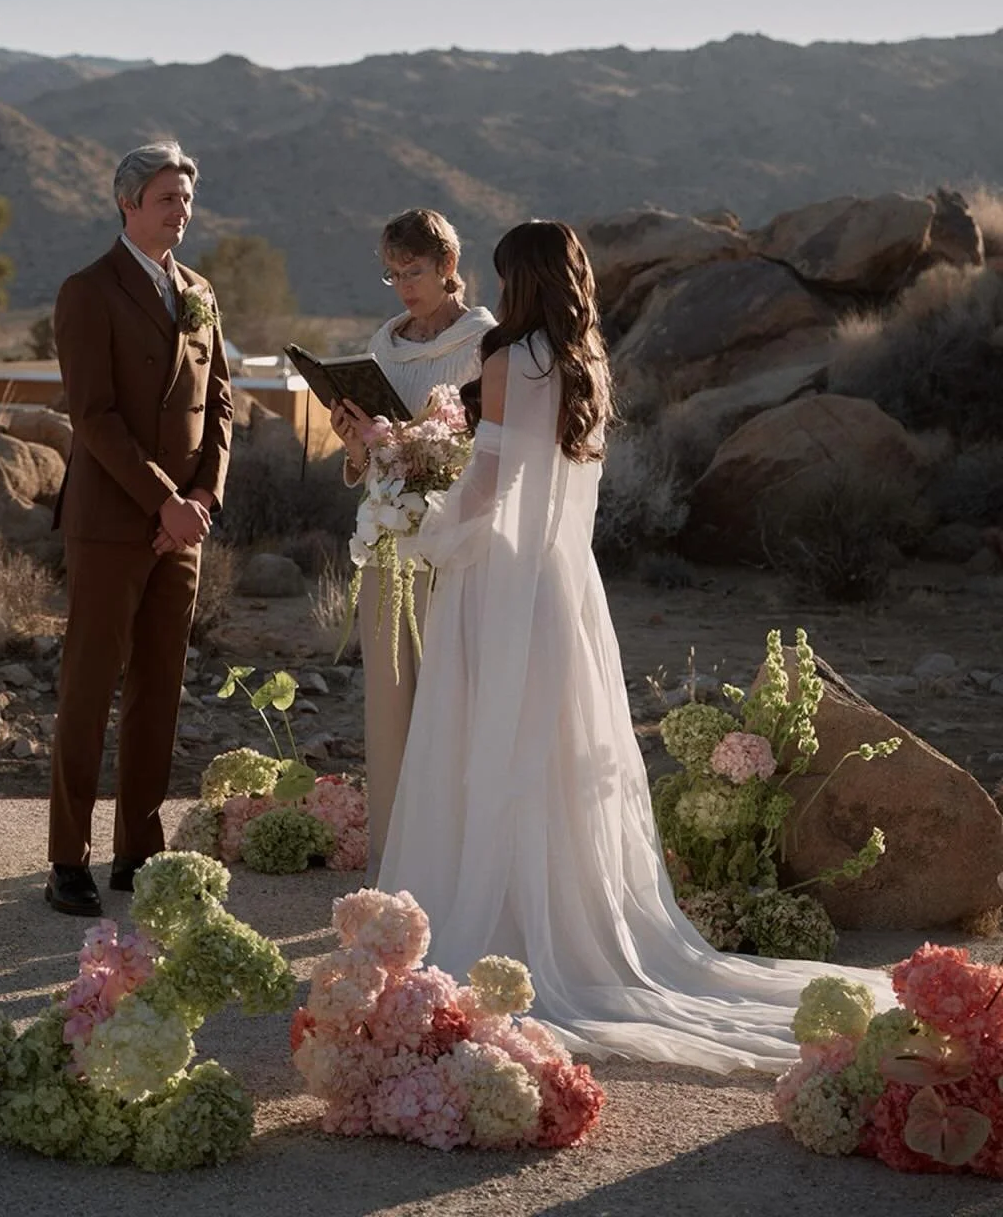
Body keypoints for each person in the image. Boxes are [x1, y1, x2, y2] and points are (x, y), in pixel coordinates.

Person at [379, 220, 894, 1073]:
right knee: (547, 754)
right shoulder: (585, 361)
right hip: (563, 585)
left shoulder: (507, 362)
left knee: (489, 743)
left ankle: (502, 926)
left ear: (519, 282)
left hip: (499, 585)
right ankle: (562, 916)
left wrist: (418, 528)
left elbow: (486, 491)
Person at [45, 141, 232, 917]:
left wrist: (202, 501)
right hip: (112, 523)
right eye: (165, 198)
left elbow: (220, 403)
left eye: (185, 198)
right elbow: (94, 416)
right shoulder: (86, 292)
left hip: (183, 527)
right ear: (128, 203)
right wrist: (163, 502)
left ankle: (139, 853)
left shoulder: (201, 291)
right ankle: (67, 861)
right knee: (89, 690)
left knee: (160, 689)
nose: (179, 211)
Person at [329, 209, 494, 879]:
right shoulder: (382, 342)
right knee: (389, 696)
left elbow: (491, 450)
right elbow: (369, 461)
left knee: (452, 697)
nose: (402, 286)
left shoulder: (486, 344)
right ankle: (395, 855)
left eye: (415, 271)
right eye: (392, 273)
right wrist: (353, 442)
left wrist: (424, 453)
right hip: (387, 540)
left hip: (456, 545)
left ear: (448, 266)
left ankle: (455, 857)